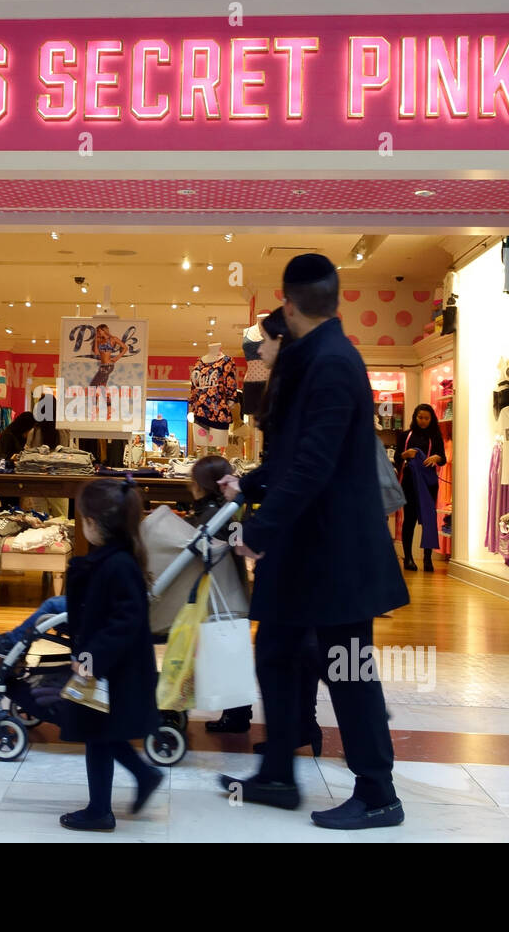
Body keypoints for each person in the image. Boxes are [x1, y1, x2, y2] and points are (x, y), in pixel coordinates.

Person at [217, 254, 410, 830]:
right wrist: (250, 483)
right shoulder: (316, 356)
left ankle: (378, 794)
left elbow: (314, 464)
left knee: (349, 670)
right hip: (308, 548)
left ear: (287, 298)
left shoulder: (331, 362)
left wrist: (258, 528)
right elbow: (292, 456)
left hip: (335, 552)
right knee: (276, 652)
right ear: (335, 297)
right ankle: (278, 773)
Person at [202, 310, 321, 751]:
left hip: (295, 537)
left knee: (284, 643)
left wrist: (259, 529)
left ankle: (290, 749)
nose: (258, 352)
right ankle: (295, 734)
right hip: (298, 535)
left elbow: (299, 470)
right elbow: (284, 466)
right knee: (295, 639)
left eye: (264, 343)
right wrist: (247, 485)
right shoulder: (292, 385)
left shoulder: (292, 389)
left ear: (281, 342)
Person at [58, 478, 164, 832]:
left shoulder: (117, 565)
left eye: (83, 518)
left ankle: (102, 808)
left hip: (115, 669)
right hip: (106, 666)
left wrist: (91, 657)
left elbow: (127, 620)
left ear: (93, 523)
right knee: (101, 733)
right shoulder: (111, 560)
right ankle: (138, 779)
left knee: (99, 734)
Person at [397, 403, 446, 572]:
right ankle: (408, 558)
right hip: (409, 483)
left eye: (426, 418)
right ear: (415, 418)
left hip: (429, 483)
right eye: (420, 418)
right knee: (409, 520)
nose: (423, 421)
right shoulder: (405, 436)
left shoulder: (436, 436)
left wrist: (436, 457)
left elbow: (443, 458)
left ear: (431, 419)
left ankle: (427, 559)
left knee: (429, 520)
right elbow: (397, 457)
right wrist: (406, 454)